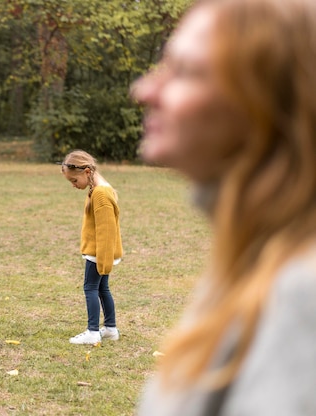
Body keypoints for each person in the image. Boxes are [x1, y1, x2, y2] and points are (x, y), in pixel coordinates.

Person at [132, 0, 316, 414]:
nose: (144, 91)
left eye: (185, 72)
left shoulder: (303, 295)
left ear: (269, 103)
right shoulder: (255, 260)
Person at [59, 150, 123, 345]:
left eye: (74, 180)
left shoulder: (101, 194)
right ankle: (110, 328)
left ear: (87, 171)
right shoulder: (99, 189)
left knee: (91, 288)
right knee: (103, 288)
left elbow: (106, 231)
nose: (73, 185)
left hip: (98, 254)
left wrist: (103, 262)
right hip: (100, 253)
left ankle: (93, 331)